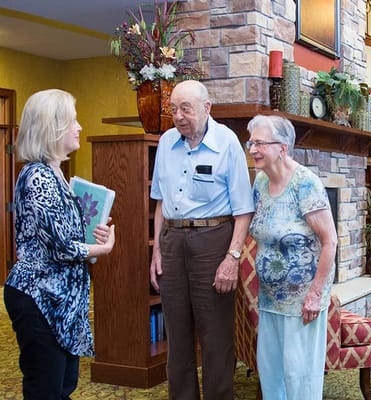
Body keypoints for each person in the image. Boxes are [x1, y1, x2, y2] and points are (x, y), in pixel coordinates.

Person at [4, 88, 116, 399]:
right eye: (72, 121)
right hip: (39, 295)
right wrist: (102, 249)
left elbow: (62, 234)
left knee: (62, 386)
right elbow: (61, 247)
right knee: (46, 388)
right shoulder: (38, 176)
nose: (79, 127)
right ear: (51, 128)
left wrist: (92, 233)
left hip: (58, 298)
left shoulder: (55, 173)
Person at [149, 80, 254, 400]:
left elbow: (243, 210)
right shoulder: (166, 142)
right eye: (173, 110)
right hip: (172, 241)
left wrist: (232, 258)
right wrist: (156, 252)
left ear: (207, 108)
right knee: (177, 335)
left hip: (213, 241)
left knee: (215, 335)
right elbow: (160, 203)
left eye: (186, 109)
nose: (178, 116)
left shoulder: (227, 142)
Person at [246, 115, 337, 399]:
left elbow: (330, 241)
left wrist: (315, 294)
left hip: (303, 301)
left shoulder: (305, 184)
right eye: (251, 143)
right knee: (271, 372)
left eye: (259, 143)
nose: (252, 149)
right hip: (270, 298)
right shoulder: (261, 181)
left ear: (282, 148)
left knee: (300, 376)